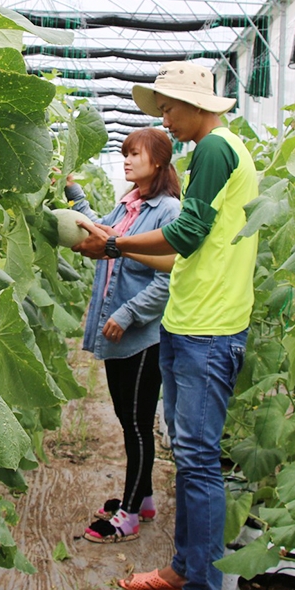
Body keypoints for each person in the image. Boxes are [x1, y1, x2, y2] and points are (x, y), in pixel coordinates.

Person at [74, 61, 259, 590]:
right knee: (189, 456)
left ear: (196, 105)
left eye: (169, 108)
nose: (165, 120)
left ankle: (200, 580)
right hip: (191, 320)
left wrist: (114, 243)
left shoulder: (216, 149)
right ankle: (184, 568)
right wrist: (116, 245)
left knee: (198, 460)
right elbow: (183, 253)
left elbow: (186, 234)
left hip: (209, 328)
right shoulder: (216, 151)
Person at [65, 127, 181, 544]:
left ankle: (128, 516)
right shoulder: (128, 205)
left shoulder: (168, 211)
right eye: (126, 153)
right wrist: (72, 192)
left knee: (137, 425)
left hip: (143, 335)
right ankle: (143, 500)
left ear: (159, 161)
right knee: (128, 420)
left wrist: (128, 314)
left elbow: (169, 278)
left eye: (135, 154)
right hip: (119, 333)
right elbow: (100, 232)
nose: (127, 160)